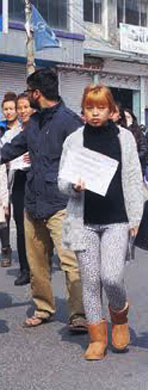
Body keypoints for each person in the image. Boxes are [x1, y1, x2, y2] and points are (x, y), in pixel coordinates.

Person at [58, 85, 147, 360]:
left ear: (112, 111)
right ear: (83, 110)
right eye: (89, 108)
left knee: (111, 275)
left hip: (117, 219)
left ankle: (119, 317)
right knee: (90, 280)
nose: (95, 113)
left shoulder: (125, 139)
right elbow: (62, 181)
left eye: (101, 108)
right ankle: (97, 337)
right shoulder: (74, 140)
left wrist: (135, 217)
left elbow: (134, 178)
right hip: (83, 220)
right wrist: (74, 186)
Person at [0, 69, 86, 331]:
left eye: (29, 92)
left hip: (62, 204)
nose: (27, 97)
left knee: (70, 262)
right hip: (32, 203)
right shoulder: (32, 123)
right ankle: (44, 307)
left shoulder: (71, 123)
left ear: (37, 93)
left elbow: (85, 159)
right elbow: (11, 149)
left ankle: (78, 314)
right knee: (37, 263)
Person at [5, 93, 32, 285]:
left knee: (41, 226)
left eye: (25, 107)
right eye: (19, 108)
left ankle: (42, 263)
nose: (22, 111)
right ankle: (25, 268)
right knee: (21, 227)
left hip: (39, 180)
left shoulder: (41, 129)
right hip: (19, 180)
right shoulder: (11, 134)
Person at [1, 92, 20, 268]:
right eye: (5, 109)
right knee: (3, 214)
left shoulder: (23, 129)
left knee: (20, 213)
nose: (8, 112)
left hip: (19, 175)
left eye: (11, 109)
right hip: (2, 174)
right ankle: (5, 249)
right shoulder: (0, 129)